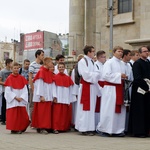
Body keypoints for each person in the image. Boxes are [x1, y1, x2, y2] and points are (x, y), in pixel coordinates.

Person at [96, 46, 128, 137]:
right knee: (109, 109)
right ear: (114, 52)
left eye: (122, 51)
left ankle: (118, 130)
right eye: (119, 51)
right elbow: (106, 75)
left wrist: (124, 77)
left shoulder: (122, 64)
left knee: (119, 110)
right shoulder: (109, 63)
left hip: (119, 89)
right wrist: (119, 75)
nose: (121, 53)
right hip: (110, 89)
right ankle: (105, 129)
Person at [75, 45, 100, 136]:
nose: (94, 53)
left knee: (91, 108)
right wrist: (94, 75)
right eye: (93, 51)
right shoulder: (83, 61)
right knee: (85, 108)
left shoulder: (92, 62)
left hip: (92, 87)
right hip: (86, 86)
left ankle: (90, 127)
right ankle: (84, 128)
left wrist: (94, 75)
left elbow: (98, 73)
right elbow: (85, 74)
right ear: (88, 52)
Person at [129, 46, 150, 137]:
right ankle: (139, 131)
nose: (147, 53)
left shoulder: (148, 63)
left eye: (147, 51)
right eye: (144, 51)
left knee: (147, 110)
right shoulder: (137, 64)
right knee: (139, 111)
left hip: (148, 90)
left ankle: (146, 130)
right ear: (140, 53)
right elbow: (137, 77)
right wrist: (146, 85)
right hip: (139, 91)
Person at [4, 62, 30, 134]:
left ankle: (21, 128)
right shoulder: (9, 78)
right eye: (14, 68)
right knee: (13, 116)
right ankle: (14, 129)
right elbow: (8, 91)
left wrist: (22, 97)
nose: (16, 70)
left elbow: (25, 89)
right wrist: (15, 97)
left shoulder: (21, 78)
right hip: (14, 100)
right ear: (11, 69)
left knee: (22, 115)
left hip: (20, 100)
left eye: (17, 68)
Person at [31, 57, 54, 133]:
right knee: (42, 112)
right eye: (51, 62)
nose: (52, 64)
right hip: (43, 96)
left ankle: (45, 126)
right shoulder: (41, 71)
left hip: (47, 95)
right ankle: (42, 127)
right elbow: (39, 84)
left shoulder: (47, 71)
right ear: (46, 63)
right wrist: (41, 95)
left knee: (46, 112)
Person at [52, 62, 74, 134]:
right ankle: (56, 128)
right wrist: (54, 96)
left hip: (65, 97)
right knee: (57, 114)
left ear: (64, 68)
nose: (61, 68)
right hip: (58, 97)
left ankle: (64, 127)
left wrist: (70, 98)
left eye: (62, 67)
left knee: (64, 114)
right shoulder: (55, 77)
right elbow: (53, 88)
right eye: (60, 67)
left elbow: (70, 88)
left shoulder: (68, 78)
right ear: (58, 68)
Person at [28, 49, 44, 118]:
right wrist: (32, 88)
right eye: (42, 55)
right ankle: (32, 120)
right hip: (33, 86)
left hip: (40, 87)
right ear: (37, 55)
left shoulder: (42, 66)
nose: (43, 56)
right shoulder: (32, 65)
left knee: (39, 104)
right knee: (32, 104)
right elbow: (30, 77)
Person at [94, 50, 106, 128]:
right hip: (98, 85)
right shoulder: (95, 65)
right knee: (97, 106)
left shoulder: (104, 65)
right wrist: (100, 88)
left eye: (105, 57)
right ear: (98, 57)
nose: (104, 58)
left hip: (104, 85)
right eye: (103, 57)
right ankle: (96, 124)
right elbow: (95, 78)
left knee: (103, 106)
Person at [0, 58, 13, 125]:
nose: (12, 65)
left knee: (9, 105)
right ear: (8, 64)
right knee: (4, 105)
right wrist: (6, 84)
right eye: (11, 63)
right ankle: (3, 119)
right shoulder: (2, 71)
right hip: (5, 90)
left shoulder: (12, 71)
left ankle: (8, 118)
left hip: (11, 91)